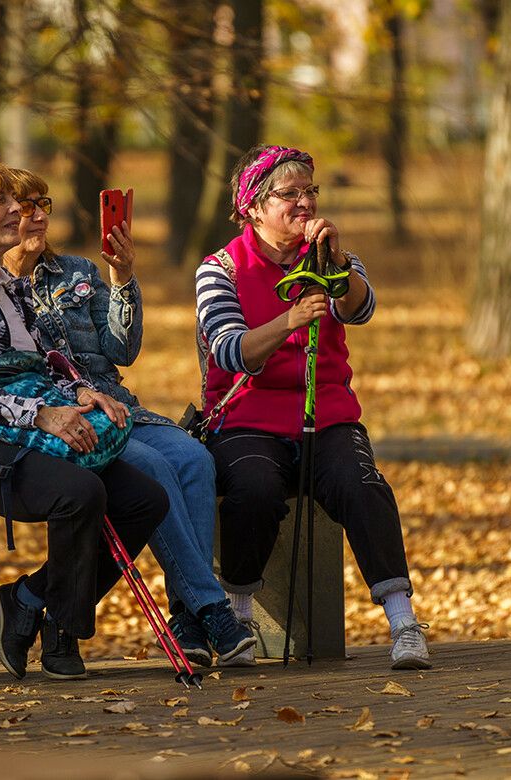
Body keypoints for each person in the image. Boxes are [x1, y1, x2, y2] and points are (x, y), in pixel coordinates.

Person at [0, 157, 168, 681]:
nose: (14, 209)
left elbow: (46, 364)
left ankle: (27, 600)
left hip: (27, 429)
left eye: (13, 200)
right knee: (81, 493)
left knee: (144, 499)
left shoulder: (8, 282)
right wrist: (40, 414)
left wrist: (86, 394)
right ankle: (64, 635)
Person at [1, 168, 255, 667]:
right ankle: (211, 608)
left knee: (194, 458)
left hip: (118, 407)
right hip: (64, 420)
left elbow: (124, 348)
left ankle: (186, 618)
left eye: (42, 205)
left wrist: (122, 280)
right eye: (24, 207)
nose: (35, 216)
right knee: (151, 470)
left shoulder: (76, 273)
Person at [194, 144, 431, 670]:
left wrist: (338, 264)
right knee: (252, 489)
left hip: (328, 415)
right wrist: (288, 321)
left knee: (363, 485)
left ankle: (403, 621)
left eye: (310, 192)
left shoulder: (329, 256)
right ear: (253, 206)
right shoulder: (220, 269)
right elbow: (230, 350)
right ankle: (240, 616)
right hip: (247, 418)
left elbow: (361, 308)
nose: (304, 203)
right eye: (289, 194)